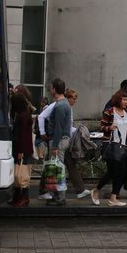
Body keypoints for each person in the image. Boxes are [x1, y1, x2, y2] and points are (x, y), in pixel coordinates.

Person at [91, 89, 127, 206]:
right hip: (111, 145)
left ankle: (113, 197)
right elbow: (102, 126)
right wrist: (109, 128)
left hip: (122, 146)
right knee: (112, 172)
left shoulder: (126, 113)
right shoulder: (110, 112)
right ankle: (96, 190)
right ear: (118, 100)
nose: (126, 102)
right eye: (124, 99)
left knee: (121, 172)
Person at [46, 78, 72, 206]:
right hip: (62, 139)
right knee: (56, 168)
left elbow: (58, 127)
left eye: (51, 88)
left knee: (58, 169)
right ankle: (56, 195)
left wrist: (55, 145)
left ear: (55, 89)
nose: (50, 90)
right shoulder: (64, 103)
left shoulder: (60, 105)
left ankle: (60, 197)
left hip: (59, 140)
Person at [10, 92, 33, 207]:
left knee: (22, 174)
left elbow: (22, 135)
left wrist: (21, 152)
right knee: (21, 173)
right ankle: (19, 197)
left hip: (22, 149)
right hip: (25, 148)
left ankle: (24, 198)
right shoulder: (25, 113)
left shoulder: (22, 116)